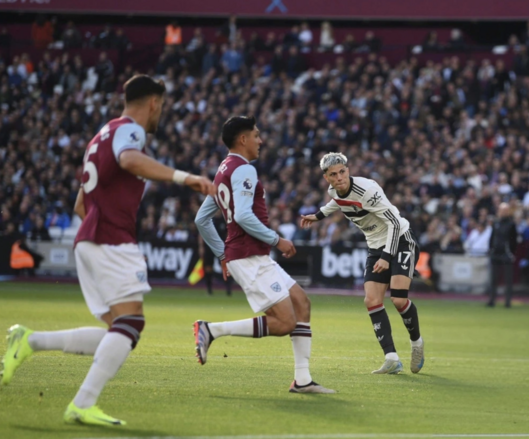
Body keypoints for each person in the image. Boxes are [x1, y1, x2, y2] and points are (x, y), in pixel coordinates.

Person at [1, 75, 216, 426]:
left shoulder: (101, 135)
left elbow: (79, 204)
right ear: (153, 103)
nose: (160, 111)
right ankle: (82, 403)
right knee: (131, 324)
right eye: (161, 105)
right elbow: (131, 160)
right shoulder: (130, 131)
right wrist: (185, 178)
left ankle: (30, 340)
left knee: (119, 330)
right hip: (110, 237)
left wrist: (101, 228)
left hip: (91, 236)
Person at [193, 116, 335, 395]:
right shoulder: (244, 170)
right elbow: (244, 215)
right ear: (242, 139)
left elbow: (201, 219)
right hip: (249, 256)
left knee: (301, 303)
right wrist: (277, 240)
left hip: (248, 255)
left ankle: (303, 380)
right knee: (284, 322)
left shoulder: (223, 171)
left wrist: (222, 255)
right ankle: (211, 330)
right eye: (256, 135)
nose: (261, 140)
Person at [300, 152, 425, 375]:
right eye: (333, 174)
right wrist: (317, 216)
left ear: (348, 170)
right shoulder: (333, 190)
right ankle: (391, 358)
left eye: (342, 172)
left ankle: (416, 343)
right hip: (376, 246)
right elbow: (336, 201)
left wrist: (387, 257)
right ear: (326, 177)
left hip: (401, 239)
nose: (339, 177)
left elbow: (395, 223)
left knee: (398, 299)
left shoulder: (368, 190)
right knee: (371, 300)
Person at [487, 203, 518, 308]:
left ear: (508, 211)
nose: (503, 212)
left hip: (506, 254)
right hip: (495, 253)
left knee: (508, 280)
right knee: (493, 279)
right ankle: (492, 300)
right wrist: (491, 249)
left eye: (505, 210)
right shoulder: (495, 223)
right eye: (501, 210)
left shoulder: (511, 224)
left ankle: (507, 302)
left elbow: (514, 240)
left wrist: (511, 252)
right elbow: (492, 237)